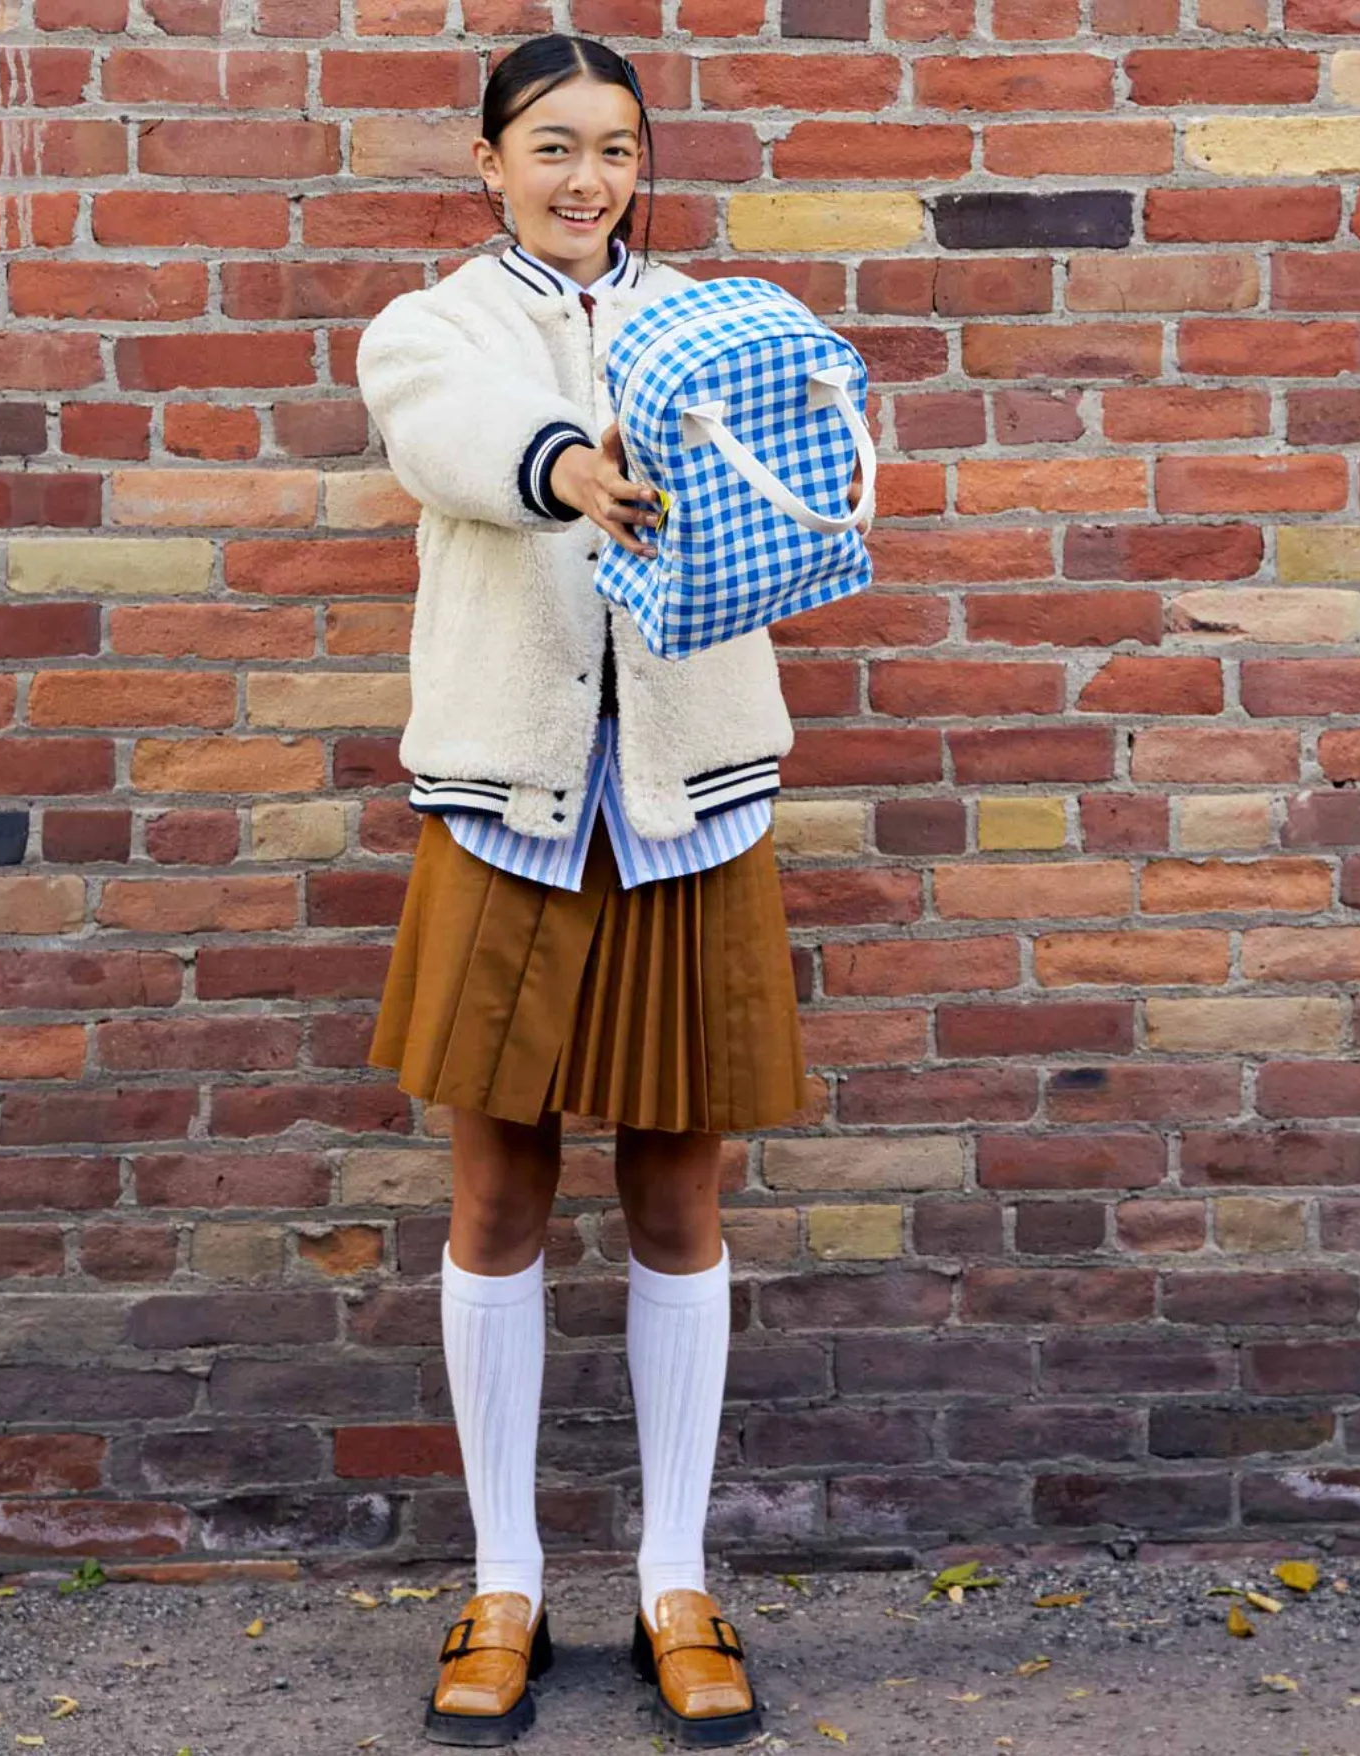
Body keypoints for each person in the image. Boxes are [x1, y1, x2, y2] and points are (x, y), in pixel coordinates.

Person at [357, 31, 857, 1750]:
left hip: (689, 808)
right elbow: (451, 437)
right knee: (496, 1195)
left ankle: (672, 1581)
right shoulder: (432, 327)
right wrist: (574, 464)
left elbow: (804, 478)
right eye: (552, 147)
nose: (587, 180)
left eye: (618, 151)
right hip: (508, 809)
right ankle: (503, 1582)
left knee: (678, 1198)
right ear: (484, 161)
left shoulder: (716, 322)